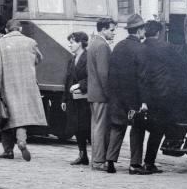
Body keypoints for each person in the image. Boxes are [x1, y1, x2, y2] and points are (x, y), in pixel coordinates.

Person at [136, 19, 187, 174]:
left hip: (147, 95)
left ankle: (145, 161)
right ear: (159, 33)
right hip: (162, 94)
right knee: (158, 129)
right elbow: (183, 51)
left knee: (151, 128)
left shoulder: (141, 48)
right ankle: (150, 162)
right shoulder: (164, 46)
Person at [0, 19, 46, 162]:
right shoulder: (31, 42)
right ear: (20, 29)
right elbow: (39, 59)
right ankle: (21, 141)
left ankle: (8, 151)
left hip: (7, 85)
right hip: (27, 84)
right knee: (21, 116)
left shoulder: (0, 44)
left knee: (6, 116)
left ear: (7, 31)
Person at [106, 14, 151, 175]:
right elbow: (143, 78)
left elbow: (111, 73)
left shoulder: (118, 46)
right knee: (137, 129)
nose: (144, 31)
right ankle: (134, 165)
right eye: (143, 29)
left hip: (117, 96)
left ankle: (109, 161)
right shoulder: (141, 49)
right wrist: (144, 101)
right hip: (134, 98)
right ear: (139, 30)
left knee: (117, 127)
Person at [86, 17, 115, 171]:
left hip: (93, 93)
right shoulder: (103, 45)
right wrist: (109, 93)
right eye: (111, 30)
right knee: (101, 128)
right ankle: (98, 160)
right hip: (101, 94)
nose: (113, 33)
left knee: (96, 126)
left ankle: (96, 160)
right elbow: (104, 73)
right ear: (103, 29)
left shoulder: (93, 43)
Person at [60, 31, 91, 165]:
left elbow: (93, 77)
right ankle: (82, 155)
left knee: (87, 128)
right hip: (74, 99)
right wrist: (64, 99)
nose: (69, 45)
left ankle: (97, 155)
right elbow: (68, 80)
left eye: (72, 42)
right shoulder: (71, 59)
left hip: (85, 99)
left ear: (80, 43)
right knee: (77, 128)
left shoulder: (89, 57)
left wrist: (80, 85)